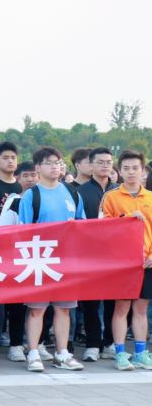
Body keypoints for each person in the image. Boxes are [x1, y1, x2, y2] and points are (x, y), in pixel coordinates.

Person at [18, 147, 85, 372]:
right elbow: (23, 231)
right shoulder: (31, 195)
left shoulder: (72, 193)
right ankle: (33, 352)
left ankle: (62, 353)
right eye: (49, 163)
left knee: (64, 309)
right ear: (38, 168)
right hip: (40, 259)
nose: (55, 167)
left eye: (57, 162)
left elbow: (83, 225)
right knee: (37, 309)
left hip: (67, 260)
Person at [100, 151, 152, 371]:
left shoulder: (150, 197)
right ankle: (120, 353)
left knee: (141, 308)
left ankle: (140, 353)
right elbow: (102, 229)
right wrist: (126, 220)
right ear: (119, 171)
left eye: (135, 168)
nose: (131, 172)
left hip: (146, 262)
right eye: (127, 168)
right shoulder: (111, 197)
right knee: (121, 308)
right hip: (121, 264)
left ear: (143, 171)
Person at [77, 146, 118, 361]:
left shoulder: (119, 191)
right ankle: (93, 344)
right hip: (89, 255)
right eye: (100, 162)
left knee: (114, 301)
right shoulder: (80, 192)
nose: (105, 166)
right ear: (91, 165)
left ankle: (110, 342)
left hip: (116, 256)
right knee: (91, 302)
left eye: (108, 162)